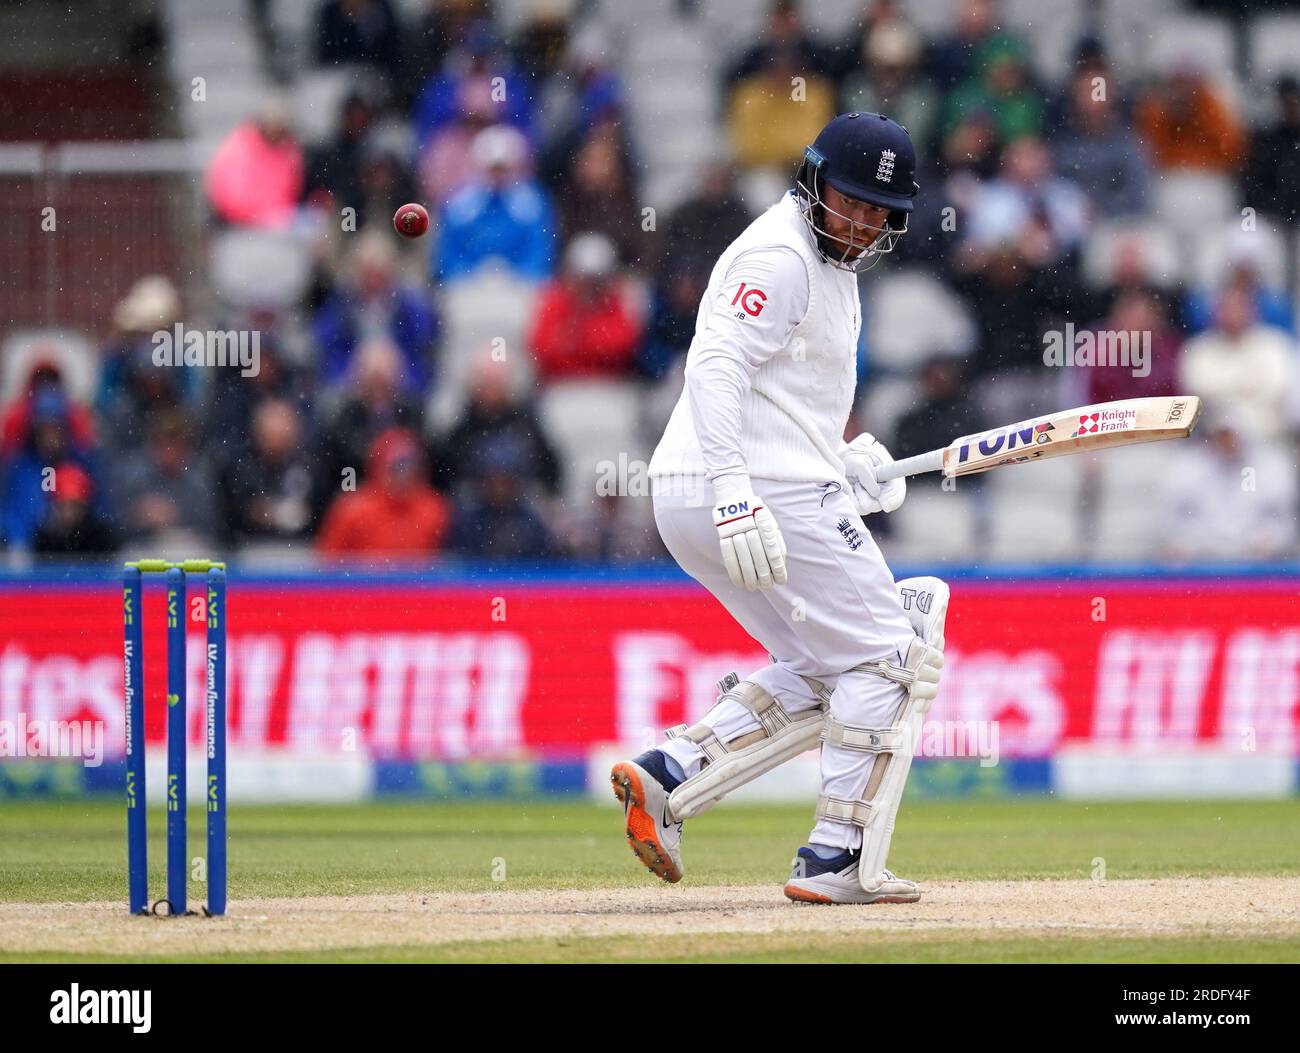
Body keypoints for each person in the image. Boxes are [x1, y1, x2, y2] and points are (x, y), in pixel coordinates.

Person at [611, 113, 948, 905]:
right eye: (850, 200)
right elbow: (716, 366)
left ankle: (672, 771)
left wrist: (844, 458)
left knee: (827, 661)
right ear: (812, 178)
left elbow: (781, 397)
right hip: (747, 489)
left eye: (877, 211)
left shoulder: (833, 269)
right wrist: (737, 492)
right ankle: (836, 856)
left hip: (717, 489)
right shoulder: (781, 253)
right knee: (891, 654)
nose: (860, 221)